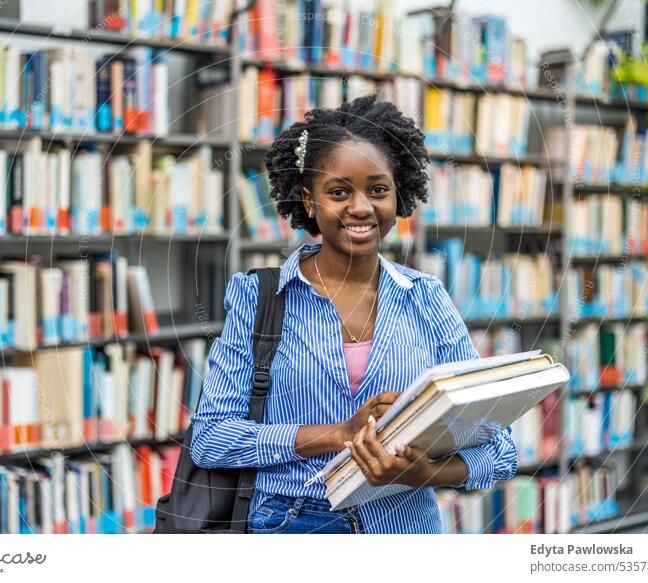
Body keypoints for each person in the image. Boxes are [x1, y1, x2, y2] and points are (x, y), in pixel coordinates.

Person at [190, 94, 517, 534]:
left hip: (405, 528)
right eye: (339, 191)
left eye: (378, 190)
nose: (361, 207)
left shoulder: (427, 299)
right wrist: (338, 433)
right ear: (308, 200)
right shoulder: (259, 297)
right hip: (292, 525)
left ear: (397, 195)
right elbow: (212, 440)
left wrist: (424, 474)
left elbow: (502, 449)